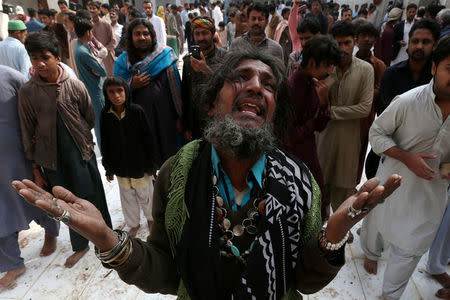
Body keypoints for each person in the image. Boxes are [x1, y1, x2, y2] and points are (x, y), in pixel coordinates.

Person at [12, 48, 402, 299]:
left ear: (274, 111)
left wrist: (331, 240)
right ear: (213, 103)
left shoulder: (299, 181)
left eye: (268, 85)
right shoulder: (176, 173)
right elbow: (166, 272)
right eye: (241, 78)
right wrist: (108, 240)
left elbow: (303, 281)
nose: (255, 87)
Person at [361, 36, 450, 300]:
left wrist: (445, 168)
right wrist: (407, 157)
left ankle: (389, 295)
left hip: (430, 196)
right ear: (434, 68)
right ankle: (371, 253)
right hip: (391, 185)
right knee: (375, 225)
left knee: (409, 250)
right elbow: (376, 135)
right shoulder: (408, 101)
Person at [18, 31, 112, 268]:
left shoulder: (74, 85)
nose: (39, 63)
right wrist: (36, 170)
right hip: (52, 160)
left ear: (57, 57)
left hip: (81, 153)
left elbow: (89, 117)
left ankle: (107, 239)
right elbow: (27, 130)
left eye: (45, 57)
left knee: (92, 195)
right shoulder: (28, 92)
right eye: (34, 58)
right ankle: (80, 245)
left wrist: (79, 139)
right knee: (64, 204)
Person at [0, 65, 59, 289]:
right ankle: (13, 263)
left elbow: (32, 112)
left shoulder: (10, 75)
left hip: (17, 155)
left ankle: (52, 231)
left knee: (31, 196)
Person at [365, 19, 440, 180]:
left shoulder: (437, 80)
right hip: (388, 149)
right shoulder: (391, 74)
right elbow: (384, 113)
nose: (419, 46)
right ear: (408, 43)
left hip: (422, 156)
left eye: (425, 42)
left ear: (434, 46)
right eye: (415, 41)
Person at [316, 21, 374, 224]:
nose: (342, 49)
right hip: (323, 140)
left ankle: (339, 237)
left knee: (344, 201)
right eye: (337, 44)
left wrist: (330, 112)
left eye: (346, 43)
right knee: (319, 194)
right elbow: (315, 104)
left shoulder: (366, 70)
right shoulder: (324, 69)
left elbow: (364, 108)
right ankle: (318, 239)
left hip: (349, 144)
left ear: (355, 42)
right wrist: (329, 77)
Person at [283, 35, 341, 221]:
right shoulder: (293, 86)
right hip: (291, 157)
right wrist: (312, 123)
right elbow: (287, 135)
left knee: (315, 197)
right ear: (313, 62)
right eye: (328, 65)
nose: (331, 71)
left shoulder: (314, 84)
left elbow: (321, 124)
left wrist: (323, 104)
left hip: (308, 151)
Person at [114, 19, 182, 166]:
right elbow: (114, 93)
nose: (142, 37)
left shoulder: (165, 56)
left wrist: (180, 117)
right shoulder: (121, 64)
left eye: (146, 33)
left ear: (152, 36)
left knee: (171, 160)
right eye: (137, 34)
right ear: (131, 38)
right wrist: (131, 85)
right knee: (147, 161)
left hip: (166, 120)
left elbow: (177, 89)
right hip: (140, 123)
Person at [100, 76, 160, 238]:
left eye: (119, 90)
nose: (116, 95)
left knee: (146, 195)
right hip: (120, 167)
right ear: (106, 94)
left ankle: (151, 219)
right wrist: (108, 167)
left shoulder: (136, 111)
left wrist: (151, 165)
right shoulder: (105, 115)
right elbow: (105, 142)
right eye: (111, 92)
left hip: (140, 165)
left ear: (126, 91)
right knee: (127, 197)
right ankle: (133, 224)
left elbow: (149, 139)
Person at [182, 16, 227, 141]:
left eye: (205, 33)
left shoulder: (225, 57)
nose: (201, 38)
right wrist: (187, 126)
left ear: (212, 34)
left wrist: (206, 70)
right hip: (196, 123)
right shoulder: (187, 61)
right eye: (197, 34)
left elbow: (230, 87)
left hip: (219, 121)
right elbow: (185, 95)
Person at [354, 22, 386, 182]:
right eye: (363, 36)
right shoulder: (349, 62)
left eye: (371, 36)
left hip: (366, 117)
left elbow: (380, 91)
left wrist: (360, 92)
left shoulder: (379, 66)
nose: (367, 39)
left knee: (360, 148)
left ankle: (354, 182)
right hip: (347, 113)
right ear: (356, 39)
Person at [73, 17, 107, 147]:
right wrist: (99, 59)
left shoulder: (80, 48)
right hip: (95, 91)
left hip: (91, 88)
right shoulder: (84, 52)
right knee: (100, 124)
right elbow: (102, 71)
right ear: (88, 32)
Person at [88, 1, 116, 76]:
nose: (92, 10)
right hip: (95, 57)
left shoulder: (106, 24)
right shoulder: (88, 25)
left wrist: (105, 50)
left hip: (108, 56)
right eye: (90, 8)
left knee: (110, 78)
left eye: (94, 8)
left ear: (99, 10)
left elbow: (113, 40)